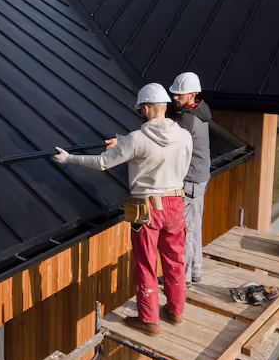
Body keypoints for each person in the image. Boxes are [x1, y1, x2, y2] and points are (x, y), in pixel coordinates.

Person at [54, 83, 192, 334]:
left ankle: (149, 319)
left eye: (141, 108)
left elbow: (102, 162)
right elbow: (161, 150)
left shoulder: (138, 139)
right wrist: (124, 141)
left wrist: (68, 159)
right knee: (175, 260)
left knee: (146, 263)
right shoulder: (184, 135)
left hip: (149, 208)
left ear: (147, 108)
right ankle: (176, 310)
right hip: (177, 204)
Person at [169, 72, 211, 288]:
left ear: (193, 95)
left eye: (179, 94)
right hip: (199, 178)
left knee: (186, 231)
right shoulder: (200, 111)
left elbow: (164, 137)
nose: (174, 97)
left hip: (192, 181)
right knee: (195, 227)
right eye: (173, 93)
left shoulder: (188, 120)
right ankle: (194, 272)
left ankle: (183, 279)